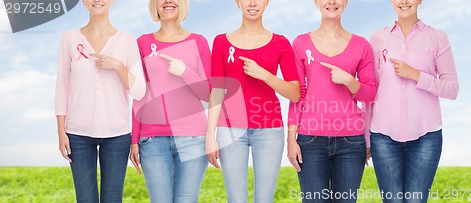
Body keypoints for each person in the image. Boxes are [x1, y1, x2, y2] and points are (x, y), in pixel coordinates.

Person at [205, 0, 301, 202]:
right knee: (236, 198)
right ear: (237, 2)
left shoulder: (280, 43)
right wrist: (209, 135)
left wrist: (264, 75)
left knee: (264, 199)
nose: (252, 3)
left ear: (266, 3)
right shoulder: (221, 42)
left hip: (269, 130)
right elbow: (217, 90)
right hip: (229, 129)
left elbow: (295, 93)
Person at [367, 0, 459, 202]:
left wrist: (417, 75)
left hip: (426, 137)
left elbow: (452, 89)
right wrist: (366, 137)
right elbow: (370, 90)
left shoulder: (437, 38)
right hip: (383, 136)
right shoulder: (377, 38)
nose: (404, 1)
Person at [55, 0, 146, 202]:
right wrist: (61, 131)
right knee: (85, 198)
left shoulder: (127, 40)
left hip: (117, 135)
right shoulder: (69, 38)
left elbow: (139, 91)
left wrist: (118, 66)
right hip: (78, 134)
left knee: (112, 198)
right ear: (84, 2)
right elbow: (62, 87)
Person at [287, 0, 377, 202]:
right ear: (316, 2)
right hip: (309, 141)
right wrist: (291, 139)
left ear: (345, 2)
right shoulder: (301, 43)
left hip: (351, 141)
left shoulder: (361, 45)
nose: (332, 2)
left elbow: (369, 94)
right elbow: (297, 93)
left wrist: (350, 82)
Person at [128, 0, 211, 202]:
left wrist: (185, 72)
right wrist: (134, 139)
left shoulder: (198, 42)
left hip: (193, 139)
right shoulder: (143, 43)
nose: (168, 1)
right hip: (153, 140)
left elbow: (209, 94)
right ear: (154, 5)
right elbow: (140, 93)